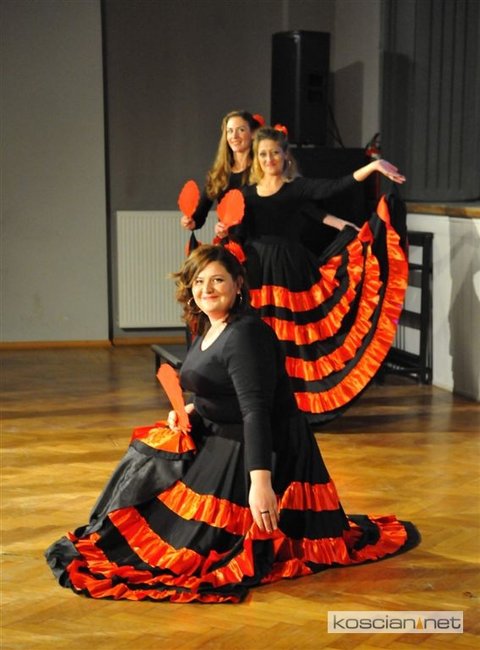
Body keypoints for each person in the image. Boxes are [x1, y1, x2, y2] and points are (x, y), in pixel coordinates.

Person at [45, 245, 419, 604]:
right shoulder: (209, 326)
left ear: (238, 284)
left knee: (191, 551)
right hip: (221, 435)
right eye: (198, 282)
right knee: (148, 477)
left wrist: (261, 485)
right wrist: (190, 410)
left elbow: (256, 411)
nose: (206, 289)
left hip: (260, 449)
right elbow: (219, 388)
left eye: (217, 280)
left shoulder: (245, 335)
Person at [221, 126, 409, 425]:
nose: (269, 159)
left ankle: (293, 405)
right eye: (263, 154)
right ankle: (258, 404)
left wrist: (373, 167)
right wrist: (224, 231)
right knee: (259, 338)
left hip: (290, 271)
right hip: (257, 273)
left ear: (285, 156)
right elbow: (239, 234)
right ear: (256, 158)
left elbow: (335, 186)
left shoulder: (296, 188)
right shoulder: (245, 195)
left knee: (294, 340)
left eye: (275, 153)